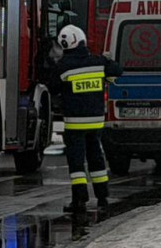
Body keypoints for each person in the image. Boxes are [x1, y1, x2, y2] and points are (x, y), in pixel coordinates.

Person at [49, 25, 123, 214]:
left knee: (76, 161)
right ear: (81, 40)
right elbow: (117, 70)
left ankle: (79, 199)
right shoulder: (98, 62)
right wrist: (109, 60)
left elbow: (53, 88)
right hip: (96, 121)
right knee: (96, 158)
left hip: (74, 122)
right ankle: (102, 197)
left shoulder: (63, 67)